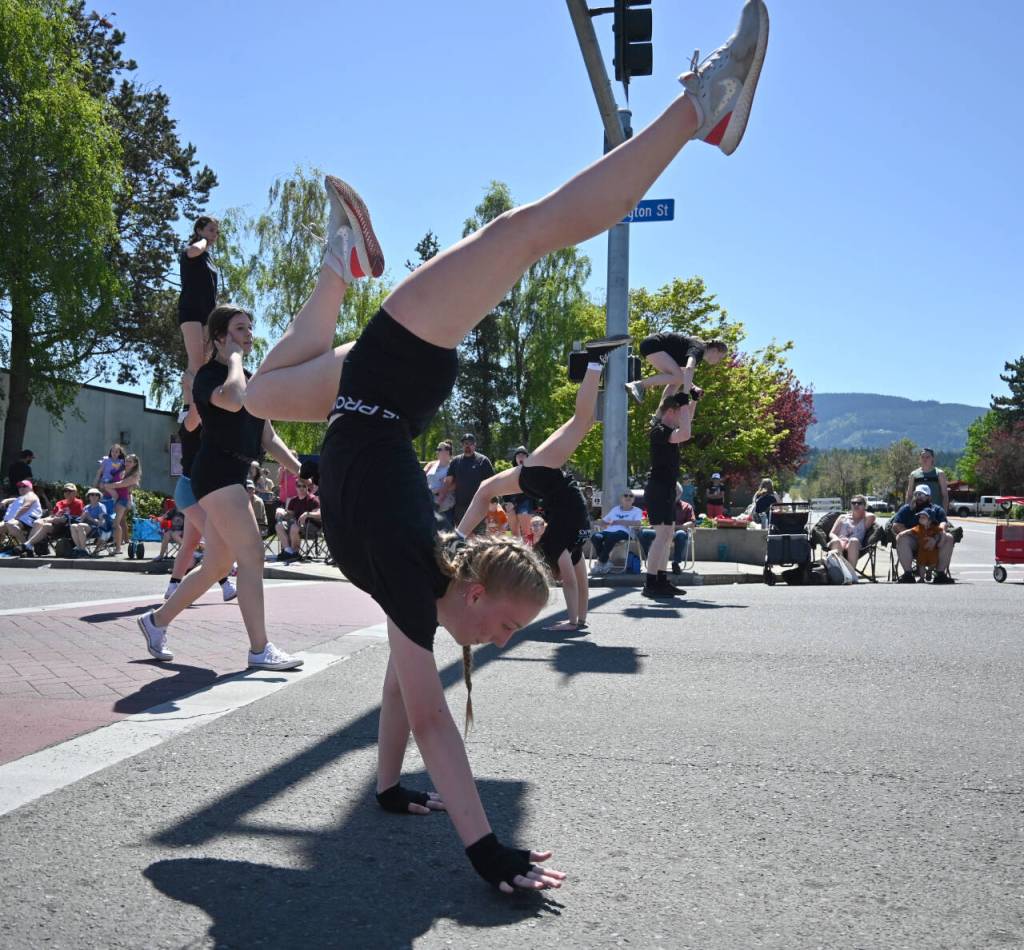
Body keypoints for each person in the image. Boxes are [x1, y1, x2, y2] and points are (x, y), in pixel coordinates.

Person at [243, 1, 769, 891]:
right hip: (386, 388)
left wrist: (455, 833)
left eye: (504, 629)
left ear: (474, 587)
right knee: (263, 388)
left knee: (522, 234)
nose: (497, 639)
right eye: (507, 628)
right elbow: (416, 700)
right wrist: (447, 824)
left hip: (387, 382)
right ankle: (346, 261)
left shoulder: (417, 588)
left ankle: (701, 107)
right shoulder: (419, 586)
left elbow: (423, 710)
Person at [137, 306, 303, 668]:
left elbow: (268, 436)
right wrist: (234, 361)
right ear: (219, 337)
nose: (249, 335)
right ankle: (260, 649)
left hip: (234, 476)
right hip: (214, 474)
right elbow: (232, 400)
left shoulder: (247, 378)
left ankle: (155, 622)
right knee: (253, 554)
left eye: (250, 328)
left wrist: (301, 470)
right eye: (240, 328)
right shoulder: (209, 377)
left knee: (216, 566)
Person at [457, 350, 627, 632]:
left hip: (545, 478)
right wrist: (578, 621)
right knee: (581, 421)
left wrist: (574, 623)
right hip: (545, 478)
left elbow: (574, 583)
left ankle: (596, 363)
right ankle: (596, 364)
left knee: (580, 421)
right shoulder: (565, 547)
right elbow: (578, 583)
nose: (560, 579)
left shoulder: (560, 545)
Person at [162, 405, 236, 603]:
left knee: (190, 544)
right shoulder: (189, 427)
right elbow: (194, 398)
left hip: (202, 491)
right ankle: (227, 579)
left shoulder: (210, 433)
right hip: (190, 490)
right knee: (215, 536)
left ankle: (173, 586)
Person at [643, 392, 698, 597]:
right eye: (678, 412)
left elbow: (687, 423)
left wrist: (692, 401)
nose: (680, 418)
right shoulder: (659, 431)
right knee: (663, 536)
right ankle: (650, 583)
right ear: (671, 411)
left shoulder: (668, 430)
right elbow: (685, 433)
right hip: (658, 489)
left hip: (666, 489)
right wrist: (685, 403)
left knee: (667, 536)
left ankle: (661, 579)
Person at [178, 215, 220, 406]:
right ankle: (194, 411)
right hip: (191, 313)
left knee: (203, 364)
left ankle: (188, 408)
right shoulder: (192, 250)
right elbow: (194, 250)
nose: (214, 235)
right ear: (199, 230)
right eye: (211, 230)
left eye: (216, 232)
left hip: (208, 316)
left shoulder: (209, 257)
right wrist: (203, 240)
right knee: (196, 366)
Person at [625, 332, 728, 403]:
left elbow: (684, 375)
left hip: (652, 346)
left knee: (677, 380)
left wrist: (693, 388)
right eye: (720, 358)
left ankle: (660, 413)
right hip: (653, 344)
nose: (718, 362)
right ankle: (638, 385)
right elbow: (689, 369)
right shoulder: (699, 349)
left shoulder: (699, 353)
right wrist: (685, 394)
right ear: (714, 351)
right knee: (678, 378)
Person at [890, 485, 955, 584]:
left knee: (949, 538)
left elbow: (943, 525)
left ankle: (940, 575)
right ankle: (908, 575)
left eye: (921, 494)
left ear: (929, 497)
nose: (918, 497)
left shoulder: (937, 509)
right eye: (916, 494)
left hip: (933, 542)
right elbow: (896, 525)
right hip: (914, 541)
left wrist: (935, 538)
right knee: (902, 538)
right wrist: (916, 536)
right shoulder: (907, 509)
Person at [639, 488, 696, 574]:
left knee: (681, 534)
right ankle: (651, 557)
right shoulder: (660, 505)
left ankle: (676, 563)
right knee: (643, 533)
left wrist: (679, 527)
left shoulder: (687, 506)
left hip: (676, 532)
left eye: (677, 492)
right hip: (660, 532)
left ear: (680, 494)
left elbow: (692, 522)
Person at [590, 489, 644, 575]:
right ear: (621, 499)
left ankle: (601, 563)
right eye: (626, 495)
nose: (628, 497)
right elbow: (604, 521)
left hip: (625, 532)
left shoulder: (637, 511)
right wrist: (592, 523)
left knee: (612, 537)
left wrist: (621, 521)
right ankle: (605, 562)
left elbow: (638, 523)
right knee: (595, 537)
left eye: (631, 496)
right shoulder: (615, 509)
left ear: (633, 500)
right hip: (609, 531)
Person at [445, 434, 494, 529]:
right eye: (465, 443)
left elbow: (492, 483)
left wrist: (493, 501)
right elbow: (448, 483)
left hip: (479, 506)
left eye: (471, 443)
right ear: (462, 445)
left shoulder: (483, 460)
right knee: (462, 537)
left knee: (479, 538)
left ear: (475, 445)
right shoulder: (455, 461)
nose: (468, 445)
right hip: (460, 507)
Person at [21, 483, 84, 556]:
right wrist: (46, 519)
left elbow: (73, 517)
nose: (67, 493)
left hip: (67, 527)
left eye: (70, 491)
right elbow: (53, 515)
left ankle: (27, 546)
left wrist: (52, 519)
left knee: (51, 522)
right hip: (55, 524)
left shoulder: (78, 502)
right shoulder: (59, 503)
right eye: (65, 491)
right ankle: (28, 546)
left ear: (75, 493)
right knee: (38, 522)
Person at [275, 476, 320, 560]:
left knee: (294, 526)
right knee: (279, 525)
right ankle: (288, 551)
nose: (301, 488)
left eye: (304, 486)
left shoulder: (313, 499)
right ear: (296, 487)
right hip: (296, 524)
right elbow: (290, 514)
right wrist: (281, 512)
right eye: (299, 486)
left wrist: (307, 514)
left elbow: (319, 514)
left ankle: (295, 552)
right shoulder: (293, 500)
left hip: (311, 526)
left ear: (308, 487)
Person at [828, 494, 875, 570]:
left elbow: (872, 515)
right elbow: (832, 533)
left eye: (859, 503)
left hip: (855, 545)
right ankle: (839, 572)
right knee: (836, 541)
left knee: (854, 540)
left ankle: (850, 573)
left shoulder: (866, 519)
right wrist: (838, 541)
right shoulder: (843, 517)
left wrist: (858, 513)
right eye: (853, 503)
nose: (856, 504)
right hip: (839, 543)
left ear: (865, 506)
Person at [109, 454, 142, 556]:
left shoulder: (135, 475)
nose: (127, 463)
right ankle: (120, 541)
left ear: (135, 463)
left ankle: (120, 545)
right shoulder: (122, 471)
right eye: (126, 461)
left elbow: (123, 485)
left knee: (118, 522)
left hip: (124, 500)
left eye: (130, 461)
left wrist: (109, 486)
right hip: (116, 498)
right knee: (118, 521)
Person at [502, 446, 535, 540]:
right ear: (515, 458)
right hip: (512, 505)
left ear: (527, 457)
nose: (520, 457)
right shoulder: (510, 472)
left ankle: (530, 551)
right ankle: (517, 552)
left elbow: (529, 492)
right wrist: (506, 503)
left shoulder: (531, 472)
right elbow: (504, 489)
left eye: (523, 455)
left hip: (525, 503)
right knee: (513, 533)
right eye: (518, 455)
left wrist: (514, 503)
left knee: (527, 533)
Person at [0, 480, 42, 551]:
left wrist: (14, 518)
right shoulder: (22, 497)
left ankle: (26, 546)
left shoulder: (30, 495)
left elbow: (26, 507)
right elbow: (15, 499)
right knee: (5, 525)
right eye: (19, 487)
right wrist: (6, 500)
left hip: (26, 521)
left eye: (24, 486)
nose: (21, 488)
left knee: (11, 525)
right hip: (15, 520)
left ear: (30, 488)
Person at [69, 488, 112, 555]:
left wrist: (90, 518)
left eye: (96, 495)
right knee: (73, 526)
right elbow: (81, 521)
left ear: (99, 497)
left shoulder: (101, 507)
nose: (94, 496)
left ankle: (83, 550)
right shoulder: (86, 507)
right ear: (89, 496)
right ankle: (80, 548)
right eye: (92, 495)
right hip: (86, 527)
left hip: (97, 529)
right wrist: (83, 516)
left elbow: (101, 522)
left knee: (80, 526)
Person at [423, 440, 456, 529]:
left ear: (448, 451)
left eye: (442, 449)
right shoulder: (431, 464)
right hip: (429, 502)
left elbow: (457, 484)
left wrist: (441, 492)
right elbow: (422, 477)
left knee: (446, 532)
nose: (439, 451)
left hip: (445, 505)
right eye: (438, 449)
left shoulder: (453, 466)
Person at [906, 447, 949, 512]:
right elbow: (909, 495)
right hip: (917, 512)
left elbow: (945, 495)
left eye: (927, 457)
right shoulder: (914, 474)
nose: (924, 459)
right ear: (919, 459)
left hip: (935, 512)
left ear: (933, 458)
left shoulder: (939, 473)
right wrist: (907, 511)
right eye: (922, 457)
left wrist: (944, 513)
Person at [909, 509, 943, 580]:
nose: (920, 519)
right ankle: (921, 578)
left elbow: (941, 533)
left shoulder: (934, 528)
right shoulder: (919, 527)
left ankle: (929, 571)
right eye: (920, 517)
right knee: (921, 565)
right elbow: (910, 531)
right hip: (922, 551)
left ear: (930, 520)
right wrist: (902, 534)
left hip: (933, 551)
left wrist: (938, 540)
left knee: (933, 563)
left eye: (923, 517)